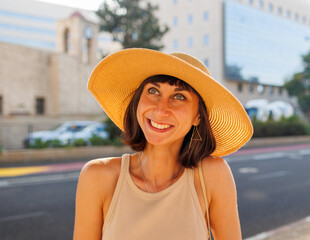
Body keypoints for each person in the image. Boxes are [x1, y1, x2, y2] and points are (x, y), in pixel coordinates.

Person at [73, 48, 253, 240]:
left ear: (198, 117)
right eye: (153, 91)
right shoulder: (97, 176)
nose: (160, 110)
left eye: (179, 96)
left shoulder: (212, 174)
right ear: (137, 102)